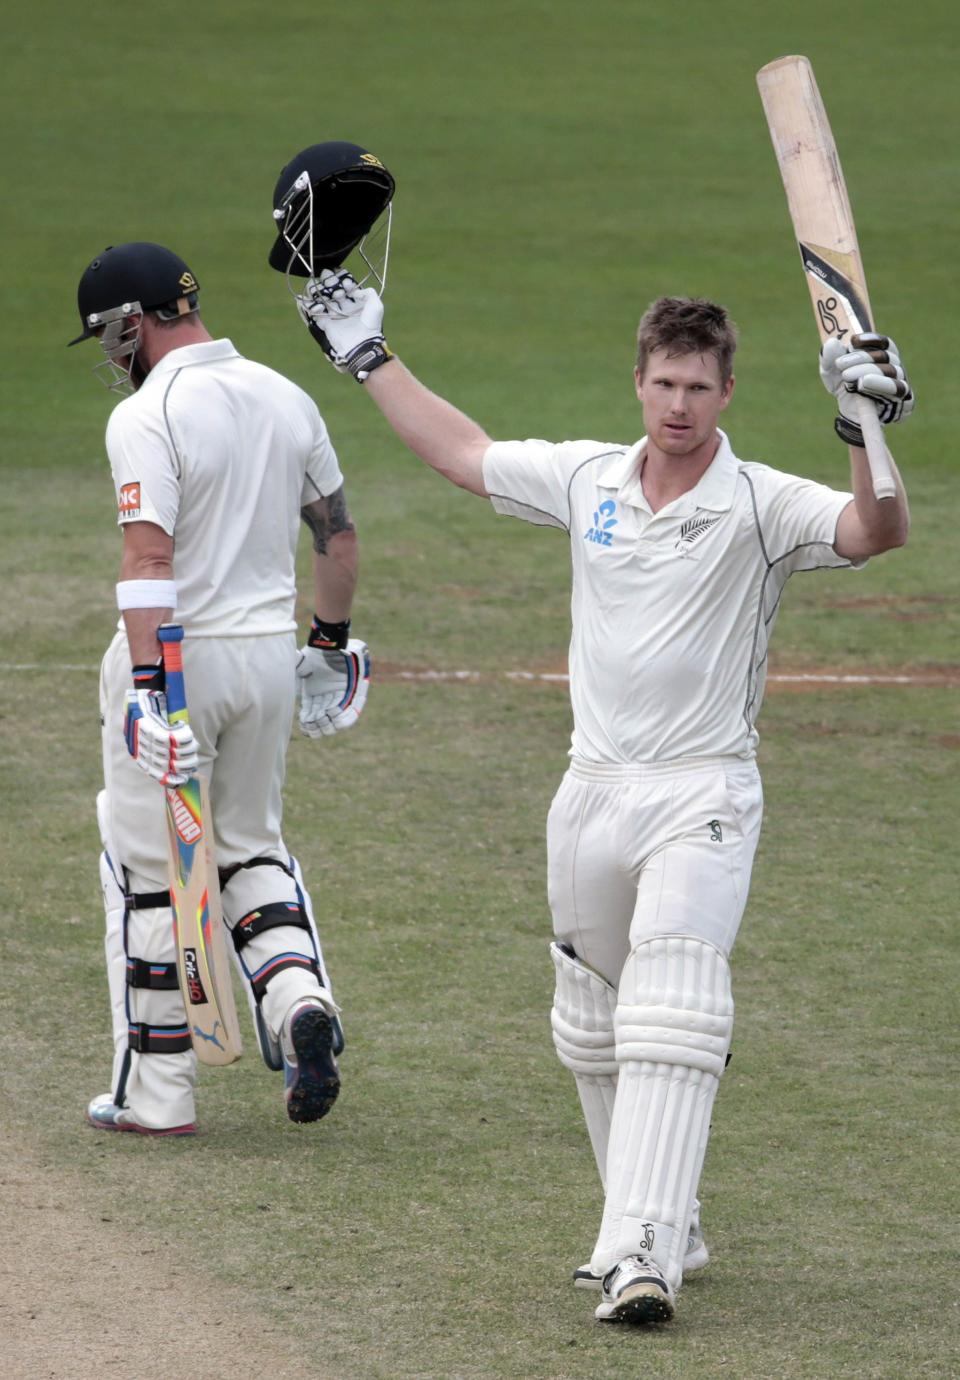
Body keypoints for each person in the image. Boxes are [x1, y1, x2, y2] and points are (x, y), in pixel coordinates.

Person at [287, 269, 911, 1324]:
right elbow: (465, 456)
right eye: (664, 384)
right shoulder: (589, 483)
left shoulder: (761, 502)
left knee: (671, 1009)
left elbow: (875, 532)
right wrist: (368, 356)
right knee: (592, 1025)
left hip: (701, 792)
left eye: (699, 389)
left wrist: (864, 424)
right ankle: (672, 1217)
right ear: (638, 383)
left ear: (727, 395)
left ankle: (640, 1253)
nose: (679, 406)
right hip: (591, 791)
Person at [70, 240, 370, 1136]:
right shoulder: (286, 394)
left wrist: (152, 698)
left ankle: (157, 1094)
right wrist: (327, 647)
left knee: (147, 872)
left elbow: (149, 559)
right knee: (250, 848)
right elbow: (338, 539)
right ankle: (296, 1001)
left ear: (135, 322)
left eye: (109, 337)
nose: (112, 358)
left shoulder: (149, 415)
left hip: (179, 656)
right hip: (267, 658)